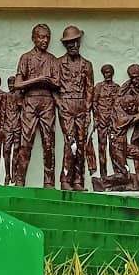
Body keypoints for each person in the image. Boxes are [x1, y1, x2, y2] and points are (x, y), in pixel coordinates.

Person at [11, 23, 61, 186]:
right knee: (25, 142)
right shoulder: (26, 58)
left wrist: (48, 82)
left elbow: (57, 83)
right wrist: (38, 79)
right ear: (34, 39)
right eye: (41, 37)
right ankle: (20, 180)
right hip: (30, 101)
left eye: (47, 37)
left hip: (47, 102)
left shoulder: (52, 59)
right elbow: (17, 84)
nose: (45, 40)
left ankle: (49, 182)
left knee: (49, 142)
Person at [56, 25, 94, 191]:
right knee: (70, 143)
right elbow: (53, 88)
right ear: (66, 44)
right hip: (66, 106)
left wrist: (87, 109)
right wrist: (60, 103)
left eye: (77, 42)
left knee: (81, 143)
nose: (75, 46)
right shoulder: (58, 63)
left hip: (81, 107)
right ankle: (65, 179)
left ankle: (78, 180)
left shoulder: (87, 64)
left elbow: (90, 88)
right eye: (71, 43)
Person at [90, 63, 121, 180]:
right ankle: (103, 175)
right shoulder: (98, 87)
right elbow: (94, 103)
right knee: (102, 148)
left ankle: (117, 173)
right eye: (105, 73)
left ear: (112, 73)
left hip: (113, 121)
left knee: (115, 147)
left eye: (108, 72)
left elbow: (119, 105)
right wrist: (96, 118)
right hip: (102, 120)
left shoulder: (117, 88)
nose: (107, 75)